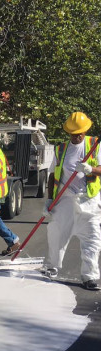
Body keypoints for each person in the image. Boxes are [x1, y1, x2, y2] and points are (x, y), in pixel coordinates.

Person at [42, 112, 101, 291]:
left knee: (92, 239)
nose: (77, 136)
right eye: (73, 133)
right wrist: (50, 199)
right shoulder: (61, 149)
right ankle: (51, 267)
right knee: (57, 233)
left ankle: (89, 277)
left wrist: (91, 169)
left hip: (88, 199)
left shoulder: (95, 145)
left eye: (80, 133)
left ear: (85, 131)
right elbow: (53, 174)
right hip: (65, 198)